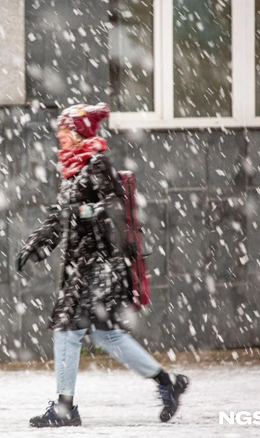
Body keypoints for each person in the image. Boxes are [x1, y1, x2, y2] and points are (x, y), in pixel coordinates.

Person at [16, 103, 188, 427]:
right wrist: (36, 245)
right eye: (60, 131)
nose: (60, 137)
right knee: (105, 335)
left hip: (100, 264)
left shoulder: (96, 164)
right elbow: (59, 216)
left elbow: (114, 209)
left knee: (67, 328)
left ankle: (65, 407)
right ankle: (167, 382)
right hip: (80, 264)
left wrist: (82, 214)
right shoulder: (70, 170)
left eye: (65, 131)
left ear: (80, 132)